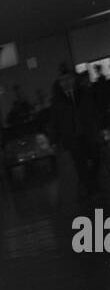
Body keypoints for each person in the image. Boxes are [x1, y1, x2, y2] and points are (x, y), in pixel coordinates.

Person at [49, 64, 100, 198]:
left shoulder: (84, 93)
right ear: (59, 84)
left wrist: (99, 127)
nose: (66, 83)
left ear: (73, 79)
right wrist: (53, 141)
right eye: (63, 81)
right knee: (80, 164)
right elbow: (54, 121)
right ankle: (89, 188)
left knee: (96, 157)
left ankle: (91, 181)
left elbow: (93, 111)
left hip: (88, 133)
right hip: (73, 138)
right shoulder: (57, 101)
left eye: (68, 79)